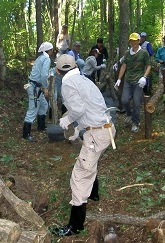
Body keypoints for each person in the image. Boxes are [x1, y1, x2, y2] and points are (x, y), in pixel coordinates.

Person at [52, 54, 116, 237]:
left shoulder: (67, 84)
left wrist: (68, 120)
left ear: (58, 71)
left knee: (80, 175)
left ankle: (75, 225)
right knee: (90, 162)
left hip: (97, 134)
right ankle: (94, 194)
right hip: (106, 128)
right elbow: (92, 106)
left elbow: (78, 110)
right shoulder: (84, 80)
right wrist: (79, 128)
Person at [115, 33, 151, 133]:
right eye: (131, 41)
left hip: (138, 81)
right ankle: (129, 114)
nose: (133, 43)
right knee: (125, 100)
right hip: (128, 80)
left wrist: (144, 77)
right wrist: (119, 79)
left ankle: (135, 122)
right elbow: (124, 66)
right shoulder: (127, 53)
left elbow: (148, 66)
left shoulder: (144, 53)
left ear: (139, 41)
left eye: (135, 40)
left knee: (136, 102)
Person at [23, 41, 53, 142]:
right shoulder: (46, 59)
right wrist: (45, 88)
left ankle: (41, 126)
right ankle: (26, 134)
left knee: (44, 105)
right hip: (35, 88)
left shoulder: (40, 58)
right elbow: (44, 75)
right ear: (49, 50)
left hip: (35, 86)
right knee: (33, 109)